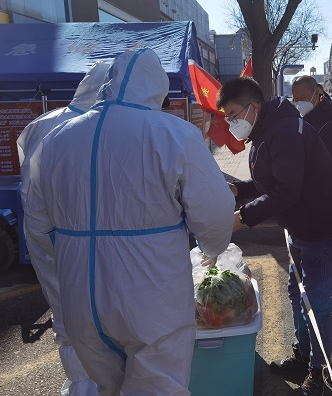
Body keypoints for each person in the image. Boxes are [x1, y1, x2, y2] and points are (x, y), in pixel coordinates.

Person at [23, 48, 235, 396]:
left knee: (107, 387)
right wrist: (211, 247)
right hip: (150, 294)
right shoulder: (174, 134)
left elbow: (36, 224)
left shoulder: (55, 139)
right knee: (158, 387)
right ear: (156, 89)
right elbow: (215, 213)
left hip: (79, 296)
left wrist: (66, 258)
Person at [218, 77, 332, 396]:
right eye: (227, 117)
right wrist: (239, 189)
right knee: (298, 295)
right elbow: (270, 181)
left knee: (316, 303)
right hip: (299, 228)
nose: (231, 123)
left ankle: (320, 374)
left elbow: (285, 191)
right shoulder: (266, 131)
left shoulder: (285, 132)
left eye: (234, 115)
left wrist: (242, 217)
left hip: (322, 228)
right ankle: (302, 356)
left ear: (254, 107)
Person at [17, 61, 109, 396]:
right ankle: (94, 385)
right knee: (100, 317)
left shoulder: (42, 123)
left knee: (66, 315)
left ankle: (83, 385)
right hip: (81, 238)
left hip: (48, 236)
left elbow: (29, 188)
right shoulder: (102, 126)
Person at [292, 76, 332, 311]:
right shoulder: (297, 119)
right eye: (295, 98)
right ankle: (316, 291)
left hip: (330, 195)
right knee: (306, 248)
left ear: (317, 92)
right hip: (303, 198)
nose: (299, 102)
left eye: (302, 97)